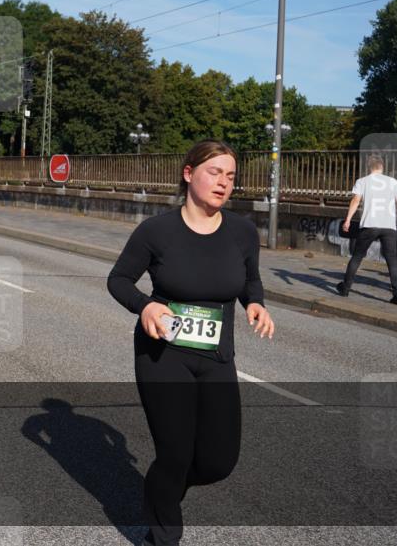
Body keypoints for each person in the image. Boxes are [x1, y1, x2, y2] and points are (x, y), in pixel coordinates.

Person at [107, 139, 275, 546]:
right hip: (164, 354)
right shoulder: (157, 231)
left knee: (219, 461)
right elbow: (119, 280)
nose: (223, 183)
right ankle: (163, 535)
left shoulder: (242, 232)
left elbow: (250, 278)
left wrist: (256, 303)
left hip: (216, 354)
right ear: (188, 174)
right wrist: (145, 307)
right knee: (176, 451)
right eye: (214, 172)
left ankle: (162, 490)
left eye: (231, 176)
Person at [337, 154, 397, 304]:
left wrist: (348, 220)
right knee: (392, 260)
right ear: (382, 166)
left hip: (369, 224)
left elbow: (356, 200)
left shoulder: (362, 181)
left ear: (369, 167)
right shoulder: (393, 181)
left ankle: (345, 288)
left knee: (357, 256)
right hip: (389, 226)